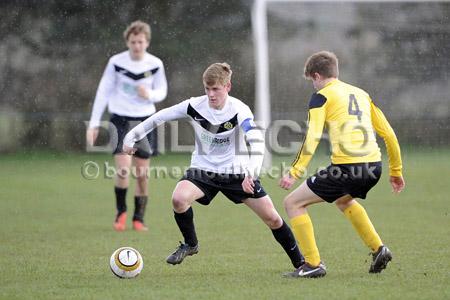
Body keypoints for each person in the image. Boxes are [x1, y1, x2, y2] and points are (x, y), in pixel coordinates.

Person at [123, 62, 304, 270]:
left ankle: (300, 263)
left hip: (236, 173)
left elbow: (256, 140)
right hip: (203, 170)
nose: (211, 94)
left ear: (227, 87)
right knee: (179, 199)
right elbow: (159, 117)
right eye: (207, 89)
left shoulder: (239, 110)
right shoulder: (193, 106)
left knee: (272, 218)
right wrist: (130, 137)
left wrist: (250, 174)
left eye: (216, 89)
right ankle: (190, 244)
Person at [279, 51, 405, 278]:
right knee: (343, 200)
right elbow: (389, 134)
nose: (313, 87)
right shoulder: (361, 93)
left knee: (293, 203)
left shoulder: (322, 96)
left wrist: (294, 171)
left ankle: (312, 264)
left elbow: (312, 137)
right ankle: (379, 249)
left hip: (348, 168)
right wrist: (395, 171)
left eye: (312, 81)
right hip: (374, 167)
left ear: (316, 76)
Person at [86, 20, 168, 232]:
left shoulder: (155, 64)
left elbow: (162, 91)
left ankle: (138, 218)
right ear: (127, 42)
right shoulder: (116, 62)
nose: (137, 46)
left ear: (147, 42)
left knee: (142, 174)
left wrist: (149, 94)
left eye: (140, 42)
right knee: (123, 170)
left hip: (145, 121)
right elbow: (103, 92)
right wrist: (94, 123)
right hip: (120, 120)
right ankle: (121, 212)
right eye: (133, 42)